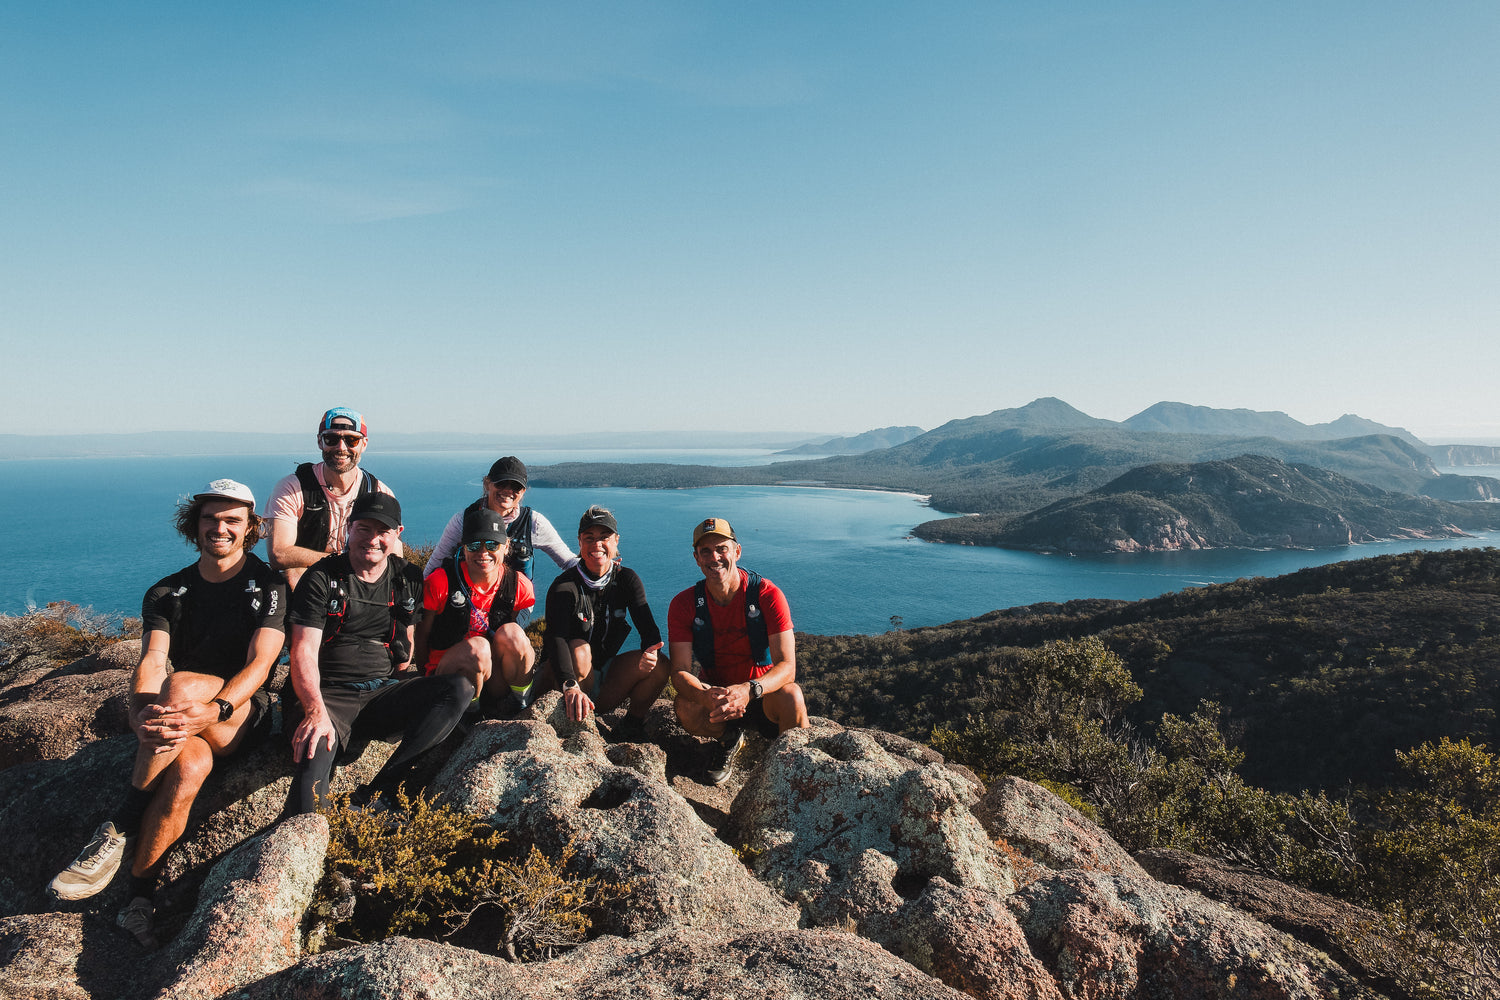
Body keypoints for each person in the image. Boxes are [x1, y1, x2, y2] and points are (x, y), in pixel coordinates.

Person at [49, 479, 287, 949]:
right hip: (185, 723)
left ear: (250, 528)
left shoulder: (270, 586)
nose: (220, 528)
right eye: (210, 519)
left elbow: (262, 663)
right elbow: (152, 659)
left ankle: (118, 826)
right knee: (188, 769)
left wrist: (213, 709)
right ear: (194, 526)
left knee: (179, 685)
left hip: (241, 713)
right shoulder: (167, 592)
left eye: (232, 520)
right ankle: (140, 899)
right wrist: (139, 712)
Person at [283, 492, 472, 815]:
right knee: (307, 810)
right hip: (329, 698)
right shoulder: (322, 578)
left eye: (382, 531)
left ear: (397, 534)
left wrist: (406, 691)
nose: (372, 539)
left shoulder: (407, 578)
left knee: (458, 688)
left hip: (380, 693)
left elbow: (405, 650)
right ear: (348, 529)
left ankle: (377, 792)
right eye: (364, 529)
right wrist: (315, 712)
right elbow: (302, 650)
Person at [668, 517, 808, 785]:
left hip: (761, 693)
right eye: (706, 551)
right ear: (696, 558)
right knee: (685, 706)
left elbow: (787, 667)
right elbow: (680, 670)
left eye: (722, 548)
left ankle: (795, 775)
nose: (715, 557)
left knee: (792, 696)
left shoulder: (766, 594)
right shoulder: (684, 604)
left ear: (737, 552)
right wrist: (704, 695)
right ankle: (728, 739)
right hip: (718, 697)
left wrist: (749, 690)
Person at [545, 506, 667, 741]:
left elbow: (648, 627)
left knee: (661, 665)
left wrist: (650, 651)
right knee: (580, 650)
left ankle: (631, 725)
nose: (597, 545)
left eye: (604, 537)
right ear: (579, 542)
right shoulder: (565, 587)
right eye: (589, 538)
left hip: (603, 679)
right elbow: (555, 639)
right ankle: (577, 724)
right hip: (565, 682)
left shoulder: (626, 579)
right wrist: (569, 684)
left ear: (616, 540)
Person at [412, 506, 537, 718]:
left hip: (492, 676)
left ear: (506, 547)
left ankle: (520, 703)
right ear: (463, 547)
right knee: (478, 649)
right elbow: (422, 635)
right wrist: (425, 680)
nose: (483, 553)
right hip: (450, 675)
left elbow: (509, 632)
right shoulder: (441, 582)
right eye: (474, 545)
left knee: (514, 635)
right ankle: (469, 714)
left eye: (492, 544)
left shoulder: (517, 585)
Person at [263, 406, 398, 590]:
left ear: (364, 444)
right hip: (306, 587)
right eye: (332, 439)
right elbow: (279, 554)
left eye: (352, 440)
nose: (341, 448)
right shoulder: (292, 488)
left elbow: (393, 549)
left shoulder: (378, 493)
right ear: (320, 442)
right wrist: (345, 561)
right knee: (293, 573)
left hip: (359, 587)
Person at [424, 456, 574, 581]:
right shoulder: (462, 520)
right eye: (501, 483)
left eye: (515, 486)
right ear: (487, 483)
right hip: (468, 601)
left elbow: (568, 561)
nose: (508, 490)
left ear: (523, 491)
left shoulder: (533, 522)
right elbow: (434, 566)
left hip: (515, 606)